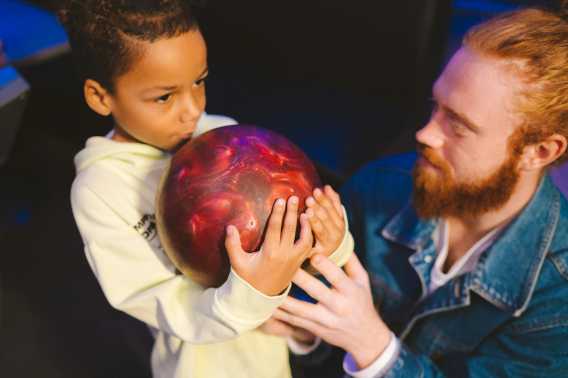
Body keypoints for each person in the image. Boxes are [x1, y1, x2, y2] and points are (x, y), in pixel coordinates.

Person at [270, 3, 568, 377]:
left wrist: (372, 346)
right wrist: (301, 330)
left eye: (458, 126)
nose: (424, 134)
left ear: (539, 152)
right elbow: (316, 354)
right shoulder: (380, 186)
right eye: (436, 106)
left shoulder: (558, 296)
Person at [58, 1, 354, 377]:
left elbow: (293, 241)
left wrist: (329, 242)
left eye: (199, 82)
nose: (192, 110)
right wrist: (249, 299)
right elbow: (162, 301)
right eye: (164, 97)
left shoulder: (226, 138)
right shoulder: (101, 190)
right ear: (101, 97)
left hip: (270, 355)